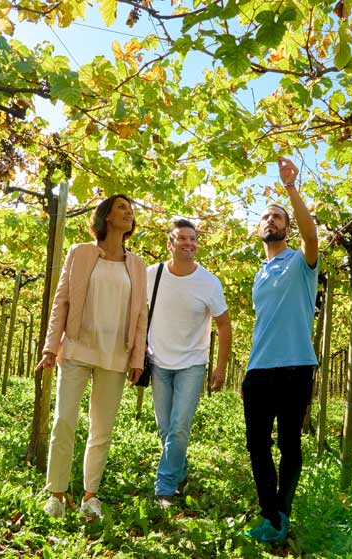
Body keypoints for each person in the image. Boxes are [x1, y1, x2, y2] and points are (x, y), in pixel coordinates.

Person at [36, 194, 148, 519]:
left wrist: (137, 357)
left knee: (102, 428)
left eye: (131, 208)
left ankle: (89, 496)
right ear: (107, 217)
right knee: (64, 420)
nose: (128, 212)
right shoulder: (80, 253)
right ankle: (56, 494)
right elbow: (61, 302)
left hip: (116, 354)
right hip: (77, 348)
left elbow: (141, 314)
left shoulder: (137, 265)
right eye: (122, 208)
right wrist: (50, 347)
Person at [243, 157, 319, 543]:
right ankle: (270, 512)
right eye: (265, 218)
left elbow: (312, 237)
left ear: (287, 228)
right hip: (257, 370)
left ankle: (280, 515)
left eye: (278, 218)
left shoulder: (301, 262)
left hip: (295, 367)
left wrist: (290, 188)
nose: (270, 221)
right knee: (257, 444)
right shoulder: (259, 273)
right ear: (259, 228)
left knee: (289, 443)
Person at [146, 219, 232, 506]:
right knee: (164, 427)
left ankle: (165, 487)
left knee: (180, 425)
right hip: (158, 361)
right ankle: (180, 471)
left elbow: (224, 326)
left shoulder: (209, 282)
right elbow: (134, 314)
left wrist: (220, 367)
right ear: (169, 244)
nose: (189, 243)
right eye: (181, 238)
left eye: (193, 239)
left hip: (192, 364)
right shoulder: (151, 275)